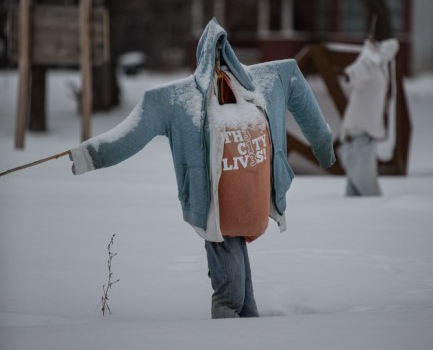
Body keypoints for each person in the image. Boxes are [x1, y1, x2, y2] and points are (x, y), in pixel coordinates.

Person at [69, 18, 335, 318]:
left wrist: (324, 149)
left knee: (238, 291)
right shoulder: (178, 99)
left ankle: (241, 342)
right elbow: (131, 133)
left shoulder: (266, 81)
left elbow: (299, 89)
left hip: (245, 206)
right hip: (216, 210)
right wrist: (88, 156)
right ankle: (231, 345)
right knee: (232, 290)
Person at [339, 37, 399, 197]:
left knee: (356, 191)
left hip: (364, 134)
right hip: (359, 135)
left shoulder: (380, 66)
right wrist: (350, 75)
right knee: (368, 191)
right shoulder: (370, 62)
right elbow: (354, 74)